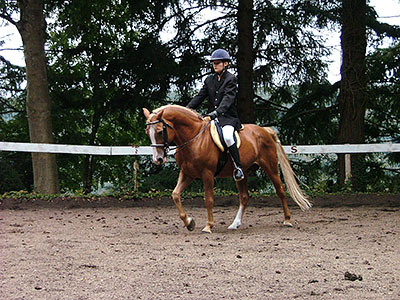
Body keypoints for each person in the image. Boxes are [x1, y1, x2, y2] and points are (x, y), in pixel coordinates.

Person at [187, 49, 245, 181]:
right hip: (212, 117)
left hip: (227, 118)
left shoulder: (231, 79)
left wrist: (216, 113)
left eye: (218, 63)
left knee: (228, 137)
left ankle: (238, 167)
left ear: (226, 64)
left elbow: (227, 101)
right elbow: (200, 96)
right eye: (213, 63)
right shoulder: (209, 80)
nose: (215, 65)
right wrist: (187, 110)